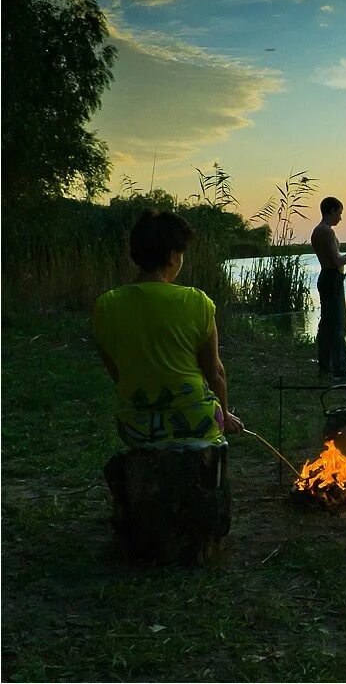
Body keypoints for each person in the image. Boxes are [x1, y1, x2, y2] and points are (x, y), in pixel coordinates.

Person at [93, 209, 243, 564]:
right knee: (215, 429)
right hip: (196, 426)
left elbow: (118, 373)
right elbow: (215, 374)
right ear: (174, 257)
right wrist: (224, 412)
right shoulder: (196, 302)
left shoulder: (105, 306)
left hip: (136, 428)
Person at [311, 196, 346, 382]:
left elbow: (332, 258)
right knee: (338, 326)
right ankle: (341, 371)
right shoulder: (326, 232)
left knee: (326, 324)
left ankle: (324, 367)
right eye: (339, 213)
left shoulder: (317, 231)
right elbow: (336, 261)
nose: (340, 218)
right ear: (332, 211)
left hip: (326, 278)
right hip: (332, 279)